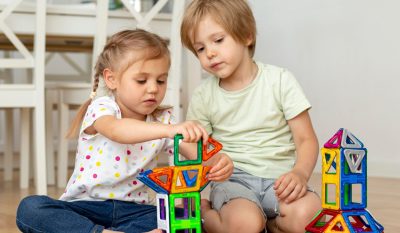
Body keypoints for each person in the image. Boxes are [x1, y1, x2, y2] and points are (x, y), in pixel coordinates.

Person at [16, 29, 233, 233]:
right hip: (87, 207)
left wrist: (217, 162)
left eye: (161, 80)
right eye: (141, 80)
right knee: (31, 208)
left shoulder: (163, 120)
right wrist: (169, 130)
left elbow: (196, 154)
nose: (153, 88)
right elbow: (117, 131)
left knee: (185, 215)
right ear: (112, 79)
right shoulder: (102, 108)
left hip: (135, 211)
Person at [180, 1, 321, 233]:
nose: (210, 53)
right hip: (233, 182)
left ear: (247, 36)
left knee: (310, 213)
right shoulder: (204, 95)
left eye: (218, 40)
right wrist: (212, 160)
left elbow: (306, 139)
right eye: (200, 49)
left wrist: (300, 173)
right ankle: (205, 214)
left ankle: (273, 224)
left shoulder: (280, 80)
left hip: (280, 179)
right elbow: (190, 143)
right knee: (244, 224)